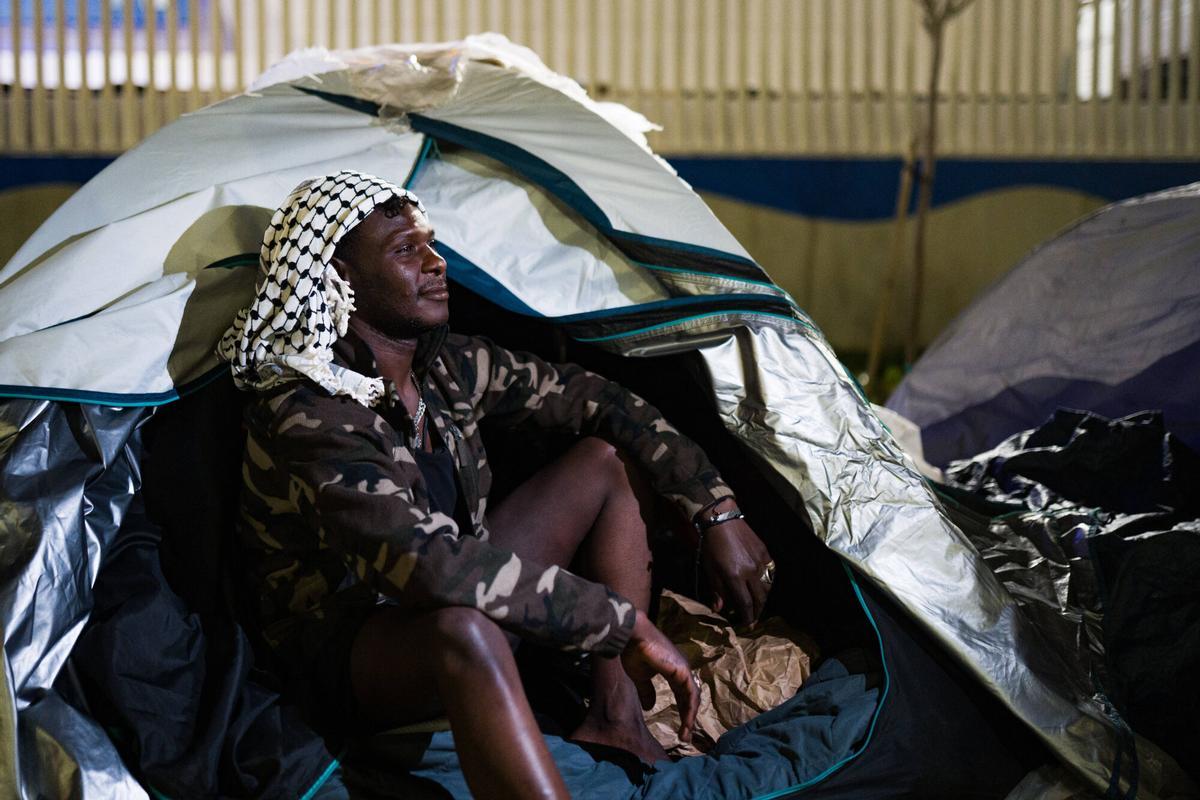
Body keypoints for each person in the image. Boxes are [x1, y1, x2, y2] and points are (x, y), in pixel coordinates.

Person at [217, 170, 774, 799]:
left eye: (430, 243)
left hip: (451, 607)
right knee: (465, 628)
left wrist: (715, 509)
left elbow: (600, 401)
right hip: (350, 662)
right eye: (406, 251)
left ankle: (615, 722)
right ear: (339, 278)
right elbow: (422, 566)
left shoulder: (446, 368)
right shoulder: (309, 410)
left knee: (605, 461)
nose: (435, 263)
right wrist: (618, 622)